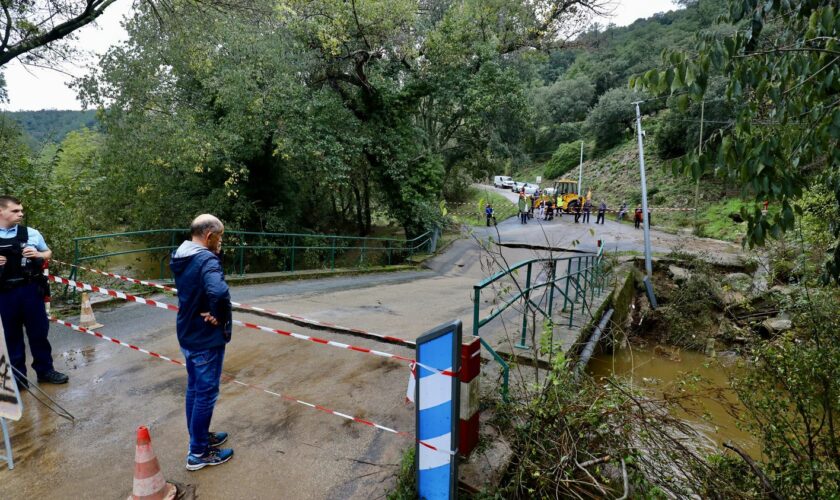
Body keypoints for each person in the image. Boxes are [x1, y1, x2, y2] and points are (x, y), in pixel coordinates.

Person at [170, 214, 234, 471]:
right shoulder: (206, 258)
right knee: (206, 393)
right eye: (219, 238)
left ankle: (199, 437)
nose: (220, 243)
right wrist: (218, 314)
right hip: (205, 336)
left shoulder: (181, 254)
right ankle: (198, 453)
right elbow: (218, 291)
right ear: (209, 236)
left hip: (187, 331)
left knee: (195, 389)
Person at [0, 196, 68, 389]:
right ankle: (18, 379)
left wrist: (39, 254)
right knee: (11, 337)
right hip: (4, 294)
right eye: (15, 211)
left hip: (31, 290)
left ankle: (45, 371)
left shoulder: (31, 233)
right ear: (1, 212)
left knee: (39, 333)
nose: (21, 214)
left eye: (21, 210)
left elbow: (48, 252)